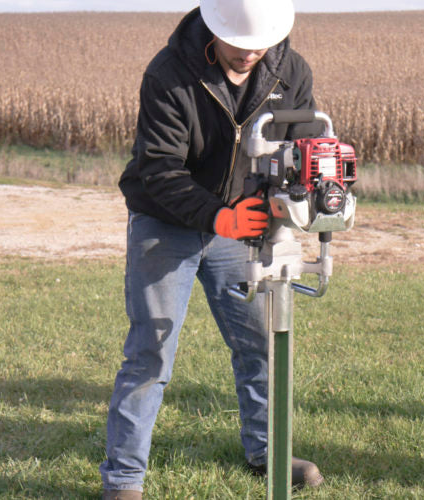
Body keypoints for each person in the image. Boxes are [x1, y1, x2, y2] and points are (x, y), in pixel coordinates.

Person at [100, 0, 325, 498]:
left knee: (260, 343)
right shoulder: (169, 74)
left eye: (258, 45)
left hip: (243, 226)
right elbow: (159, 168)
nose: (249, 54)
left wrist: (302, 193)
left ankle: (268, 451)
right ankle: (124, 479)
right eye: (238, 44)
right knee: (151, 351)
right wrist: (218, 216)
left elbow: (303, 145)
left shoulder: (290, 72)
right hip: (166, 223)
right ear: (214, 27)